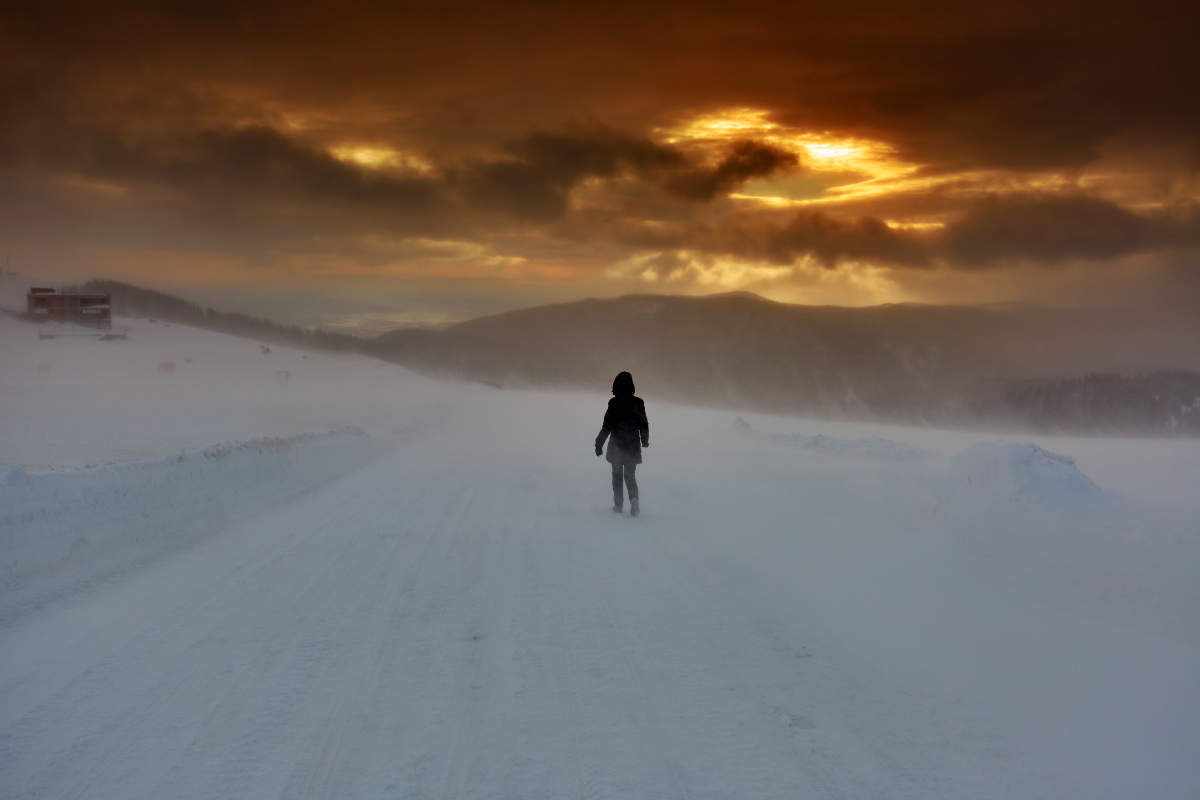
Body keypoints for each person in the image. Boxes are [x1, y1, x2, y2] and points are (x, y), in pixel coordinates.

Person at [594, 371, 649, 517]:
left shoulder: (614, 403)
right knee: (630, 476)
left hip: (617, 444)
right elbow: (643, 424)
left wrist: (599, 444)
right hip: (633, 444)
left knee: (617, 475)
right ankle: (634, 501)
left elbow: (607, 425)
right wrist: (645, 440)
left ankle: (618, 505)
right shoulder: (638, 402)